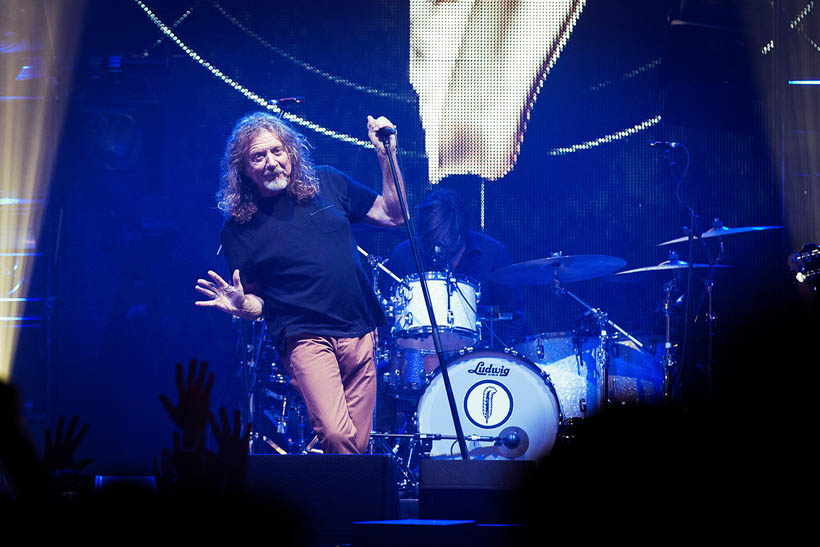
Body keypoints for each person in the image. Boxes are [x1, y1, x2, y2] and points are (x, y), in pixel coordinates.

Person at [195, 112, 405, 455]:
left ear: (290, 152)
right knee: (337, 436)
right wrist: (240, 305)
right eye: (258, 156)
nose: (271, 162)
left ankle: (341, 505)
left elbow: (393, 215)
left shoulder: (327, 182)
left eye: (277, 151)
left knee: (357, 448)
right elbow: (257, 303)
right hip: (305, 337)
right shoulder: (239, 229)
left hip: (360, 329)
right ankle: (349, 502)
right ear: (244, 169)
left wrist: (387, 155)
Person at [384, 188, 526, 350]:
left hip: (480, 360)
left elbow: (513, 316)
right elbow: (387, 319)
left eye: (446, 246)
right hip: (417, 357)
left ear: (461, 234)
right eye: (432, 247)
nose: (439, 253)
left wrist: (498, 358)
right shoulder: (404, 255)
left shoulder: (493, 254)